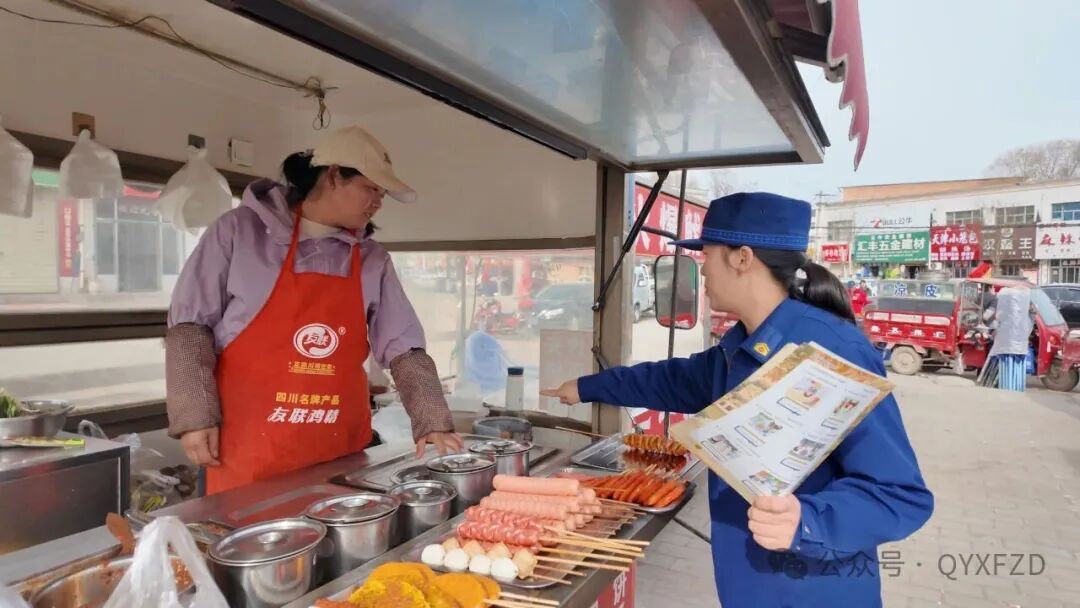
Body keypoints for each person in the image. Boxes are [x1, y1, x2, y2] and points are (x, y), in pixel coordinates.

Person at [542, 192, 933, 608]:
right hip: (747, 587)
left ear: (742, 258)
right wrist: (586, 387)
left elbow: (900, 494)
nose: (702, 268)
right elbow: (672, 380)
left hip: (811, 591)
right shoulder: (739, 348)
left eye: (706, 254)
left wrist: (808, 522)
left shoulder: (831, 350)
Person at [166, 126, 463, 495]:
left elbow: (404, 348)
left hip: (337, 449)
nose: (378, 203)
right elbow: (190, 327)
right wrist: (194, 416)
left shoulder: (371, 259)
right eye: (371, 189)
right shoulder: (239, 232)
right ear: (334, 175)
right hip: (249, 446)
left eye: (382, 194)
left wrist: (432, 420)